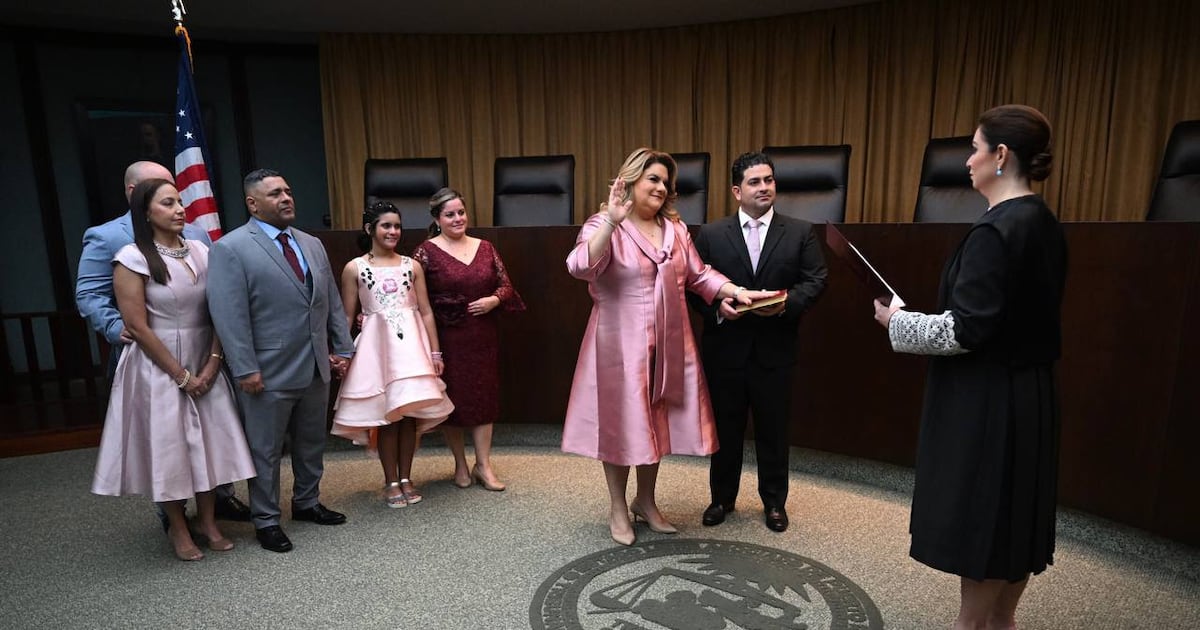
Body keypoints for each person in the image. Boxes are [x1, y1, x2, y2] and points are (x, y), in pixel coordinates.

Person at [873, 104, 1066, 629]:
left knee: (985, 527)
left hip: (989, 403)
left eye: (975, 149)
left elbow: (964, 331)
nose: (967, 161)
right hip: (1030, 397)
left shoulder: (996, 231)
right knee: (1013, 528)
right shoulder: (1043, 221)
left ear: (1001, 155)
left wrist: (897, 321)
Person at [562, 147, 773, 546]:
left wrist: (734, 291)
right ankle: (617, 507)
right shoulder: (605, 223)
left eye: (666, 181)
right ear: (630, 181)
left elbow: (699, 275)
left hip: (669, 343)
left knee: (656, 422)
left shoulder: (675, 229)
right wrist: (612, 221)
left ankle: (645, 500)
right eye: (653, 179)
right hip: (619, 347)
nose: (661, 187)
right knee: (620, 426)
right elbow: (580, 266)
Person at [75, 160, 251, 524]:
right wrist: (119, 327)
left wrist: (214, 357)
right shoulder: (107, 237)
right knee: (165, 438)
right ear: (135, 194)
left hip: (202, 349)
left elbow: (216, 297)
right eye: (163, 193)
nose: (179, 205)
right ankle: (173, 519)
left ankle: (217, 505)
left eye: (177, 193)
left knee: (211, 432)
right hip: (150, 350)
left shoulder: (198, 238)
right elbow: (89, 294)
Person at [207, 168, 355, 553]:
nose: (286, 198)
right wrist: (244, 367)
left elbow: (329, 300)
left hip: (315, 364)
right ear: (253, 204)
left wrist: (343, 347)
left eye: (288, 191)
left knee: (311, 441)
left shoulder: (311, 243)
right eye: (275, 194)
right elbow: (229, 315)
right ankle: (266, 519)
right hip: (266, 370)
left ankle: (306, 502)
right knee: (266, 449)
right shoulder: (231, 248)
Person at [688, 152, 828, 533]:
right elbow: (692, 287)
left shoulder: (800, 231)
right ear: (737, 191)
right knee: (725, 430)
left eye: (769, 180)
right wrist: (718, 308)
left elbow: (816, 280)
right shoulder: (711, 234)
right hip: (725, 351)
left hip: (775, 350)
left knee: (773, 431)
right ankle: (721, 499)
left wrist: (785, 304)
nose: (764, 187)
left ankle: (774, 503)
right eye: (754, 182)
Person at [332, 201, 453, 507]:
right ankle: (391, 481)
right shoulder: (355, 268)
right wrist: (342, 353)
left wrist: (435, 352)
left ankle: (407, 477)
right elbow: (347, 315)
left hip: (411, 348)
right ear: (369, 229)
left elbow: (426, 311)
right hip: (377, 350)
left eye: (397, 226)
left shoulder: (411, 266)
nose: (393, 231)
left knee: (408, 415)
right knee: (387, 416)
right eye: (386, 225)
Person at [412, 188, 525, 491]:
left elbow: (506, 285)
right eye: (450, 214)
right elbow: (412, 294)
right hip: (447, 337)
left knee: (484, 399)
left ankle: (483, 465)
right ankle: (460, 464)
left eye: (461, 212)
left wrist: (494, 300)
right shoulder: (425, 251)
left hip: (482, 335)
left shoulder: (485, 247)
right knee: (454, 400)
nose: (457, 218)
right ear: (437, 219)